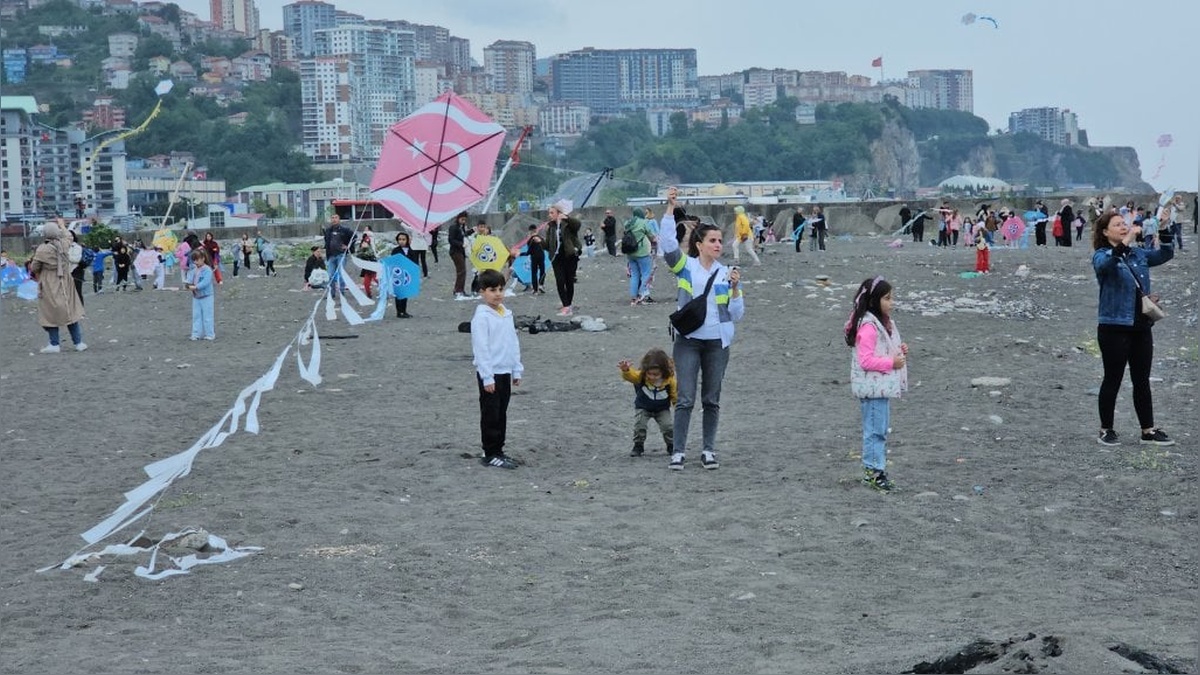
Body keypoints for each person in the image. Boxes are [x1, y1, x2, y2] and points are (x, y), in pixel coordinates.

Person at [660, 189, 745, 471]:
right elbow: (668, 244)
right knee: (684, 398)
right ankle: (679, 452)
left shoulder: (726, 272)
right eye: (713, 240)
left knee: (712, 400)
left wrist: (735, 289)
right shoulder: (686, 267)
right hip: (687, 341)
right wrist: (670, 209)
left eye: (720, 240)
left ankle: (708, 450)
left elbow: (736, 315)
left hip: (717, 344)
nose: (718, 245)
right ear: (699, 244)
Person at [1092, 212, 1175, 447]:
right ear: (1105, 232)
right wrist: (1126, 241)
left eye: (1124, 224)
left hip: (1141, 325)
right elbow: (1106, 265)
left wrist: (1166, 227)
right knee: (1113, 379)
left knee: (1142, 380)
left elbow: (1164, 254)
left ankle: (1147, 430)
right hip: (1113, 325)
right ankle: (1106, 429)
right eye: (1117, 225)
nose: (1123, 227)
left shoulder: (1138, 254)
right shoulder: (1101, 255)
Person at [844, 276, 908, 492]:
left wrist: (899, 351)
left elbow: (882, 348)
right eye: (887, 298)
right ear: (874, 301)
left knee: (878, 429)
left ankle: (875, 470)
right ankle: (873, 472)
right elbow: (865, 360)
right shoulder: (869, 327)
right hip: (873, 389)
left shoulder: (880, 323)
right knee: (875, 431)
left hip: (879, 387)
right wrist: (892, 362)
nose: (892, 302)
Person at [471, 268, 523, 469]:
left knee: (502, 412)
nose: (498, 293)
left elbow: (513, 342)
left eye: (501, 289)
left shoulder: (506, 314)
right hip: (490, 373)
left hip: (505, 371)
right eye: (492, 290)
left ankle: (499, 450)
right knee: (490, 413)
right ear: (482, 292)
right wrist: (487, 376)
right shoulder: (482, 317)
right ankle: (490, 452)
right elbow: (481, 348)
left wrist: (516, 369)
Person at [29, 220, 87, 353]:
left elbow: (34, 267)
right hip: (66, 280)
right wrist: (62, 225)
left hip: (50, 282)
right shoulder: (64, 244)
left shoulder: (42, 249)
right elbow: (69, 236)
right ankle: (78, 343)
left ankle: (54, 344)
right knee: (70, 311)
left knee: (50, 313)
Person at [618, 348, 676, 457]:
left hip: (662, 409)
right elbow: (631, 377)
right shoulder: (641, 376)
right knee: (640, 425)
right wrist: (626, 370)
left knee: (668, 427)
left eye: (656, 375)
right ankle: (638, 445)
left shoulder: (669, 381)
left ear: (664, 372)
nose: (652, 377)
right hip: (643, 407)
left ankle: (671, 445)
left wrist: (678, 406)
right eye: (649, 374)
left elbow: (674, 395)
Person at [544, 199, 582, 316]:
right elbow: (547, 245)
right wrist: (539, 241)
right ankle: (565, 305)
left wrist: (567, 218)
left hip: (569, 256)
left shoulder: (568, 224)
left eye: (552, 213)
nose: (550, 215)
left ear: (558, 213)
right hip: (556, 258)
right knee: (560, 282)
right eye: (549, 213)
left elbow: (578, 224)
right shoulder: (550, 227)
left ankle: (568, 305)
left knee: (569, 281)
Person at [624, 208, 654, 305]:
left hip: (630, 253)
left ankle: (634, 296)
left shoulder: (627, 223)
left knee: (634, 275)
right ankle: (643, 294)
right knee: (646, 273)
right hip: (642, 252)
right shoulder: (643, 222)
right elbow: (651, 235)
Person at [185, 248, 216, 340]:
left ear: (203, 258)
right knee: (196, 316)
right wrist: (188, 284)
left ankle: (210, 334)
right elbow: (189, 279)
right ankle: (196, 334)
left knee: (207, 316)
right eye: (194, 260)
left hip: (207, 296)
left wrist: (196, 287)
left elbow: (206, 282)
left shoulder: (207, 270)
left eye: (197, 259)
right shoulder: (193, 270)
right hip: (196, 296)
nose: (196, 262)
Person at [390, 232, 421, 317]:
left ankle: (404, 311)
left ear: (407, 240)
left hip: (407, 276)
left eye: (403, 239)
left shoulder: (412, 251)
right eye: (399, 239)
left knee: (405, 294)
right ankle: (399, 312)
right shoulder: (395, 251)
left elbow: (415, 263)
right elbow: (393, 263)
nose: (401, 241)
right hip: (398, 276)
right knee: (399, 294)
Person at [323, 214, 353, 296]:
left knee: (341, 274)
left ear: (339, 219)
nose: (334, 219)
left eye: (336, 218)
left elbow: (354, 237)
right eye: (332, 218)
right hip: (331, 256)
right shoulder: (328, 230)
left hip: (341, 255)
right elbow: (326, 240)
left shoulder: (345, 230)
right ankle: (332, 293)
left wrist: (348, 246)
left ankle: (342, 292)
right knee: (330, 275)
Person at [449, 211, 470, 298]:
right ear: (458, 218)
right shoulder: (453, 227)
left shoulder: (462, 227)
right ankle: (458, 290)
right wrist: (460, 244)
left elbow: (464, 235)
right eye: (462, 219)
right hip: (455, 251)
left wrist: (472, 230)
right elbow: (451, 240)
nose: (463, 221)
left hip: (461, 251)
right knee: (461, 271)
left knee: (462, 271)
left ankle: (460, 289)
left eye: (465, 220)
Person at [524, 224, 546, 294]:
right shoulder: (541, 238)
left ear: (530, 231)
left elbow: (529, 251)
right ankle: (541, 285)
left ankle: (535, 289)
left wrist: (521, 254)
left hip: (534, 257)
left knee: (534, 272)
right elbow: (545, 245)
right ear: (536, 230)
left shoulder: (531, 239)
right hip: (542, 256)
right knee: (542, 270)